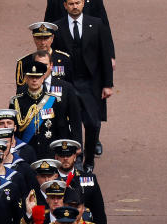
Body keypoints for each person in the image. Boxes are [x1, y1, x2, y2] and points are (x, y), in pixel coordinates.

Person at [51, 0, 114, 171]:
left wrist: (108, 84)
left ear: (83, 4)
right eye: (71, 3)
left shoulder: (96, 24)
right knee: (72, 123)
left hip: (91, 83)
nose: (74, 6)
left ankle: (90, 159)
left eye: (77, 2)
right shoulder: (57, 27)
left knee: (93, 123)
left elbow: (104, 55)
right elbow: (53, 57)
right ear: (65, 6)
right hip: (68, 83)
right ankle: (76, 159)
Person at [11, 60, 82, 161]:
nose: (34, 80)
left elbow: (62, 127)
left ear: (43, 78)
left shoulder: (54, 101)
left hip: (49, 151)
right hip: (24, 152)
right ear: (26, 79)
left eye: (38, 77)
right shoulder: (16, 102)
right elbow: (13, 129)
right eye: (31, 77)